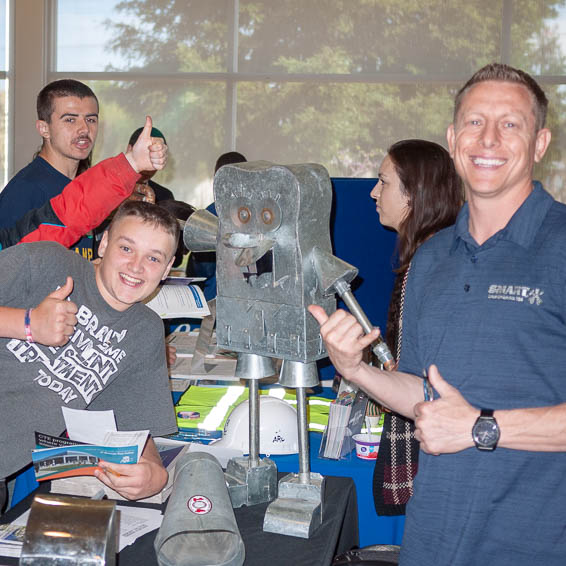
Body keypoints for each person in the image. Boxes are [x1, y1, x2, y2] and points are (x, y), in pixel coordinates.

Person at [310, 62, 565, 565]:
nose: (488, 138)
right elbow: (423, 396)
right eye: (474, 122)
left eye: (510, 123)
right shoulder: (431, 257)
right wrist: (355, 369)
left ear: (539, 144)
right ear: (453, 138)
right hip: (433, 540)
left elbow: (465, 423)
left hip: (534, 543)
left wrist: (482, 428)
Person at [0, 198, 179, 512]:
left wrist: (153, 472)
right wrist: (28, 324)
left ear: (167, 269)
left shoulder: (144, 331)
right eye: (126, 248)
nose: (136, 267)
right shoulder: (48, 263)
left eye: (153, 258)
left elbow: (134, 425)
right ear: (104, 242)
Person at [369, 140, 462, 517]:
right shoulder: (438, 252)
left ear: (414, 194)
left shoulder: (430, 260)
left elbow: (427, 370)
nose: (374, 192)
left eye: (384, 182)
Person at [0, 79, 99, 259]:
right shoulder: (24, 191)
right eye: (70, 119)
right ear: (44, 129)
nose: (84, 129)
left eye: (91, 119)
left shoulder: (82, 187)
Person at [186, 151, 247, 299]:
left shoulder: (260, 214)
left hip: (244, 294)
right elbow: (203, 270)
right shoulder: (210, 215)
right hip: (218, 297)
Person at [126, 126, 175, 203]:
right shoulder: (109, 187)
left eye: (154, 158)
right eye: (144, 155)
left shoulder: (164, 197)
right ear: (129, 149)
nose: (148, 167)